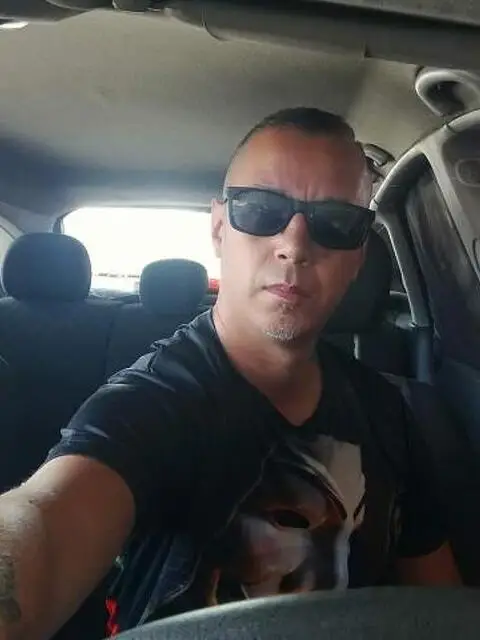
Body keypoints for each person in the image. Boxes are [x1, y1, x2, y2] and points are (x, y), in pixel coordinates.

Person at [0, 108, 461, 640]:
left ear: (358, 254)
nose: (294, 245)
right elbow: (45, 522)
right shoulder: (151, 404)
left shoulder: (387, 411)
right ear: (219, 229)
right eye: (260, 210)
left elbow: (439, 602)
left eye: (335, 222)